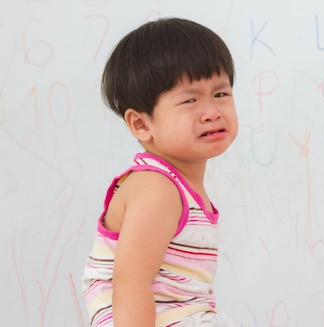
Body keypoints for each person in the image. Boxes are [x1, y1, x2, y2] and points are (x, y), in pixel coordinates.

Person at [82, 18, 239, 327]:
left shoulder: (176, 185)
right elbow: (130, 283)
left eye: (220, 94)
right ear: (142, 124)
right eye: (190, 100)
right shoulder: (157, 189)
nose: (212, 112)